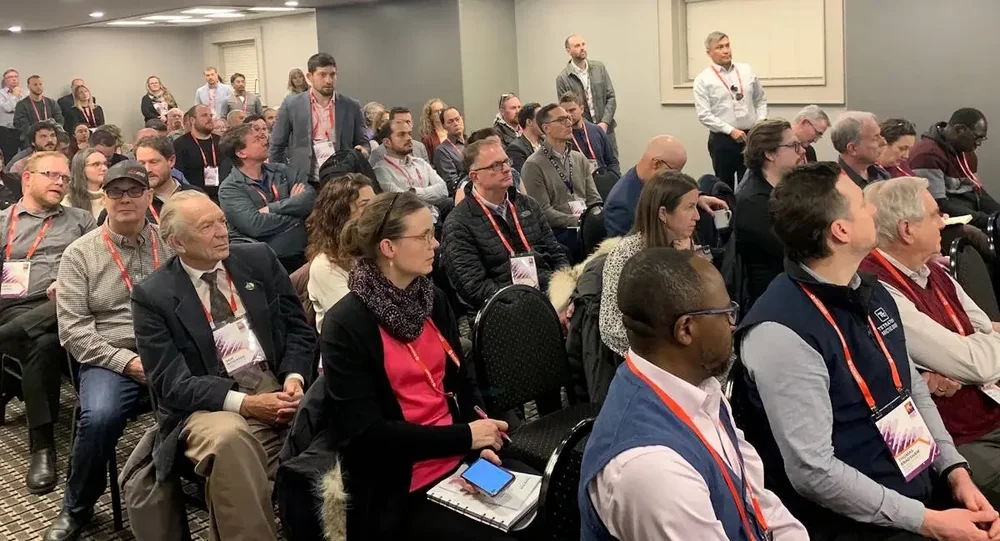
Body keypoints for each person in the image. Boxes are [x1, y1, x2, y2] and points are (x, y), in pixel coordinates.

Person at [736, 161, 1000, 539]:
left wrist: (954, 470)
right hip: (860, 523)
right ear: (841, 230)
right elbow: (813, 471)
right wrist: (928, 521)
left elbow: (910, 388)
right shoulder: (781, 331)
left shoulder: (871, 293)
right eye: (862, 203)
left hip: (917, 483)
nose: (873, 209)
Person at [322, 190, 528, 540]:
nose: (435, 245)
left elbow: (461, 382)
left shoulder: (432, 299)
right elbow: (367, 436)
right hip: (401, 477)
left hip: (459, 452)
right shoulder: (346, 325)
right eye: (424, 236)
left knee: (549, 505)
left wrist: (481, 440)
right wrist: (466, 437)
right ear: (388, 248)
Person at [581, 247, 808, 541]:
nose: (733, 324)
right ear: (686, 329)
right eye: (726, 313)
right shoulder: (653, 471)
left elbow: (754, 497)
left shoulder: (697, 385)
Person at [131, 191, 315, 541]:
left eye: (222, 221)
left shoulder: (258, 259)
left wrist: (295, 378)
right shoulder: (153, 296)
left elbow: (297, 329)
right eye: (207, 227)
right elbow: (170, 383)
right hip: (210, 406)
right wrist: (246, 405)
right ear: (177, 243)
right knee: (232, 442)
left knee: (347, 414)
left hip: (278, 385)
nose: (222, 232)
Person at [43, 160, 172, 541]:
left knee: (226, 390)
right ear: (105, 197)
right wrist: (129, 363)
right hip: (110, 356)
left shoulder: (170, 241)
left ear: (149, 196)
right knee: (99, 417)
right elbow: (74, 332)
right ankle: (77, 505)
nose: (124, 198)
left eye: (134, 190)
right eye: (116, 191)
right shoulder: (79, 254)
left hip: (169, 348)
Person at [862, 176, 1000, 508]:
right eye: (936, 214)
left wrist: (972, 355)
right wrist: (974, 356)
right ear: (907, 230)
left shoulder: (931, 271)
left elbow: (985, 333)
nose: (944, 222)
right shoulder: (877, 289)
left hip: (988, 406)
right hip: (955, 441)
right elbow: (977, 363)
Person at [0, 151, 97, 494]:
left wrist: (69, 281)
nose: (60, 182)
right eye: (51, 175)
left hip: (70, 303)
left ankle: (42, 446)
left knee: (48, 333)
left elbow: (98, 265)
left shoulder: (81, 220)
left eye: (64, 178)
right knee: (41, 342)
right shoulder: (3, 222)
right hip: (15, 306)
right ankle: (41, 446)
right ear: (27, 178)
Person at [442, 139, 569, 312]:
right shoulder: (458, 223)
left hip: (548, 293)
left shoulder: (528, 205)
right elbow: (474, 289)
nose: (506, 168)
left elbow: (556, 253)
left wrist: (564, 291)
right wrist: (533, 303)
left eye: (506, 161)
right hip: (503, 309)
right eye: (496, 165)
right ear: (475, 177)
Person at [600, 171, 707, 356]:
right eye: (689, 207)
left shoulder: (684, 245)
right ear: (663, 213)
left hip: (683, 343)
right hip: (649, 355)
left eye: (696, 206)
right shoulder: (626, 254)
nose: (697, 216)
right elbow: (610, 327)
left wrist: (688, 260)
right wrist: (663, 349)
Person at [219, 123, 316, 273]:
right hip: (265, 264)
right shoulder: (230, 189)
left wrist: (271, 208)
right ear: (241, 153)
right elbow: (255, 225)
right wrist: (297, 215)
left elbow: (309, 198)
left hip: (303, 252)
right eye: (256, 140)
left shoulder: (281, 171)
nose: (265, 141)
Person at [735, 120, 806, 309]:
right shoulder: (752, 202)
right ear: (769, 154)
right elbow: (796, 251)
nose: (802, 151)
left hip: (794, 287)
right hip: (775, 299)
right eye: (793, 146)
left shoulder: (788, 188)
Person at [522, 103, 602, 260]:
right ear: (546, 128)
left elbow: (594, 198)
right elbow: (544, 212)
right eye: (561, 120)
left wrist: (595, 218)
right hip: (559, 231)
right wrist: (581, 221)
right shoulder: (533, 165)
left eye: (568, 118)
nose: (568, 123)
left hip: (585, 225)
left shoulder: (579, 158)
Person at [269, 53, 367, 182]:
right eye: (322, 75)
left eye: (332, 75)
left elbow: (363, 142)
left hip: (341, 180)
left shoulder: (351, 106)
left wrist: (364, 150)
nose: (328, 80)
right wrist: (282, 179)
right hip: (303, 180)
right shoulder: (291, 105)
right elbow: (277, 146)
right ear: (310, 77)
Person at [694, 31, 767, 188]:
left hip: (750, 137)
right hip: (723, 139)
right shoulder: (703, 79)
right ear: (709, 52)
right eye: (720, 47)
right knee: (723, 185)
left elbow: (760, 99)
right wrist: (730, 130)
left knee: (751, 182)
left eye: (727, 46)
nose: (726, 51)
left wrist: (760, 123)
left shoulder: (746, 70)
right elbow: (704, 114)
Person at [908, 108, 999, 230]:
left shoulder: (967, 153)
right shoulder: (927, 155)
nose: (978, 143)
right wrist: (987, 221)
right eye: (977, 137)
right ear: (959, 130)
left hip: (971, 212)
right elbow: (938, 204)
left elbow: (977, 191)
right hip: (949, 220)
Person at [305, 173, 375, 331]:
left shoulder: (376, 248)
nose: (376, 211)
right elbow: (356, 322)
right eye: (365, 205)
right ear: (341, 214)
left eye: (376, 203)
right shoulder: (325, 266)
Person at [372, 120, 449, 221]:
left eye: (409, 133)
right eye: (402, 134)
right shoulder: (381, 170)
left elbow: (443, 190)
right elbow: (403, 200)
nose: (409, 138)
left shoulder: (421, 163)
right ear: (387, 142)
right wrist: (429, 195)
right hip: (408, 224)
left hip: (434, 218)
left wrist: (414, 192)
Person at [557, 34, 618, 157]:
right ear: (568, 51)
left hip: (606, 129)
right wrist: (590, 129)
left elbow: (611, 97)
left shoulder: (599, 68)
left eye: (583, 44)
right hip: (581, 133)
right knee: (586, 165)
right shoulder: (563, 78)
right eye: (577, 46)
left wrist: (605, 123)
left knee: (612, 163)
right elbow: (566, 110)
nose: (582, 48)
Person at [126, 136, 201, 225]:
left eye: (153, 162)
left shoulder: (196, 196)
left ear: (171, 161)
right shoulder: (133, 201)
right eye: (141, 163)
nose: (147, 169)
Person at [560, 91, 619, 176]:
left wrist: (614, 179)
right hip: (579, 182)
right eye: (565, 111)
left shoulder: (596, 130)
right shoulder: (562, 138)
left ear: (582, 109)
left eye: (572, 110)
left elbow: (612, 162)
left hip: (602, 179)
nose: (569, 115)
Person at [173, 104, 226, 199]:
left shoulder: (222, 142)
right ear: (192, 120)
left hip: (223, 195)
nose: (209, 118)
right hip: (194, 197)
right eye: (204, 115)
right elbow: (178, 175)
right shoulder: (180, 144)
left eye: (211, 115)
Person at [832, 111, 890, 189]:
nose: (884, 142)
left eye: (880, 135)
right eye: (875, 138)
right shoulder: (833, 187)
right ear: (853, 148)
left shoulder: (882, 176)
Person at [431, 107, 467, 194]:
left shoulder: (472, 142)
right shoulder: (442, 151)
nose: (456, 124)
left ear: (462, 119)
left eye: (457, 119)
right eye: (450, 122)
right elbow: (451, 183)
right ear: (443, 126)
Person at [64, 148, 108, 219]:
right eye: (96, 164)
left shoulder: (113, 196)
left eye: (105, 164)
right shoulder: (68, 202)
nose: (104, 168)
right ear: (81, 169)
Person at [506, 102, 542, 174]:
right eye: (540, 118)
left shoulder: (545, 141)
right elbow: (523, 176)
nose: (545, 122)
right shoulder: (515, 148)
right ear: (529, 122)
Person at [0, 69, 25, 162]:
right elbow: (8, 108)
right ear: (5, 80)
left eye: (16, 76)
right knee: (9, 158)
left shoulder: (25, 93)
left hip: (23, 130)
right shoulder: (1, 94)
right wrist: (14, 95)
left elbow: (25, 110)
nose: (14, 79)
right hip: (7, 131)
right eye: (10, 77)